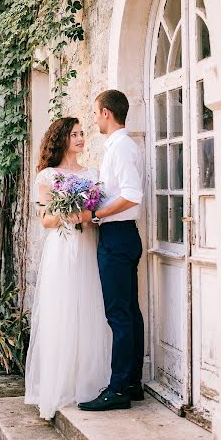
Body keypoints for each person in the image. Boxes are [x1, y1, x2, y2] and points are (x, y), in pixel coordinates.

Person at [24, 117, 111, 420]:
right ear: (61, 139)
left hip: (89, 245)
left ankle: (89, 382)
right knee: (63, 309)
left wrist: (87, 214)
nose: (80, 138)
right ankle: (61, 384)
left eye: (82, 133)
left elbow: (98, 212)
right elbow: (46, 220)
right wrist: (67, 213)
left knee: (90, 307)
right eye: (73, 134)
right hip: (62, 248)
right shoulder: (48, 176)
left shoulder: (93, 174)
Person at [73, 90, 145, 411]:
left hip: (117, 237)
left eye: (95, 113)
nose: (94, 119)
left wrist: (95, 214)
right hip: (123, 235)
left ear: (106, 113)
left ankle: (118, 389)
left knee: (119, 315)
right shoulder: (121, 147)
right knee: (129, 312)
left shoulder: (121, 148)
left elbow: (132, 195)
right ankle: (131, 383)